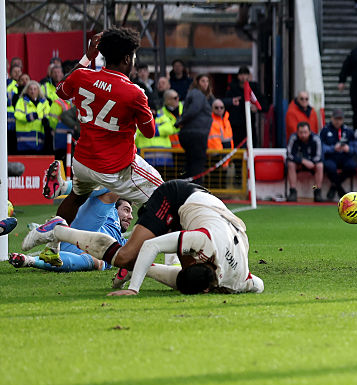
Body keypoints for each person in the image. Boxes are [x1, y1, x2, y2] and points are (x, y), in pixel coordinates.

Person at [25, 29, 161, 259]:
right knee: (164, 197)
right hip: (116, 167)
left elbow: (61, 91)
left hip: (84, 161)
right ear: (127, 59)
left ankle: (52, 245)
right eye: (134, 57)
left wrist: (87, 57)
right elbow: (149, 132)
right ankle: (150, 256)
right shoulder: (134, 93)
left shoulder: (83, 76)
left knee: (76, 198)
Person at [33, 180, 263, 296]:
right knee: (124, 256)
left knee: (146, 258)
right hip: (176, 197)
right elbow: (152, 245)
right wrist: (134, 289)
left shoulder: (241, 280)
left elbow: (259, 285)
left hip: (211, 211)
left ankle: (139, 267)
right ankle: (58, 230)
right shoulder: (202, 241)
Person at [10, 184, 131, 274]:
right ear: (115, 209)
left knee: (97, 262)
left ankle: (29, 260)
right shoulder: (111, 213)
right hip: (86, 229)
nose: (130, 216)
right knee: (114, 189)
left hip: (83, 250)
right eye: (126, 210)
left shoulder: (123, 242)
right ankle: (62, 187)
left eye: (131, 213)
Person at [177, 74, 214, 182]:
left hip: (191, 134)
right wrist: (181, 121)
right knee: (197, 165)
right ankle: (196, 191)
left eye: (207, 81)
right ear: (197, 82)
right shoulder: (198, 94)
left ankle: (187, 189)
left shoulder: (195, 94)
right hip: (196, 135)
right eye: (203, 81)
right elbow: (194, 109)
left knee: (191, 164)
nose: (205, 84)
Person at [320, 109, 357, 200]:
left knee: (352, 166)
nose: (338, 121)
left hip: (344, 156)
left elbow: (354, 147)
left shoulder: (348, 131)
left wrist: (348, 149)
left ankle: (334, 186)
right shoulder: (325, 130)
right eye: (336, 119)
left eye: (340, 119)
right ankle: (340, 190)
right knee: (330, 167)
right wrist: (333, 148)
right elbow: (321, 147)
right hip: (331, 156)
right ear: (332, 118)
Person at [286, 121, 327, 203]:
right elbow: (289, 154)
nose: (303, 135)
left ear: (309, 131)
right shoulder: (293, 138)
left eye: (305, 132)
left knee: (320, 166)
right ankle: (293, 191)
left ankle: (316, 191)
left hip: (312, 164)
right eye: (301, 133)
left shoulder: (316, 139)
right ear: (297, 132)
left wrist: (312, 162)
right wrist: (303, 161)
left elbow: (319, 156)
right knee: (290, 164)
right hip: (298, 163)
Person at [13, 81, 48, 153]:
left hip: (39, 139)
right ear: (27, 90)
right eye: (30, 89)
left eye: (35, 89)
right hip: (24, 141)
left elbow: (48, 116)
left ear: (38, 90)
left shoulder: (45, 103)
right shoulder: (21, 101)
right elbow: (17, 114)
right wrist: (28, 117)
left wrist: (46, 120)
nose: (33, 91)